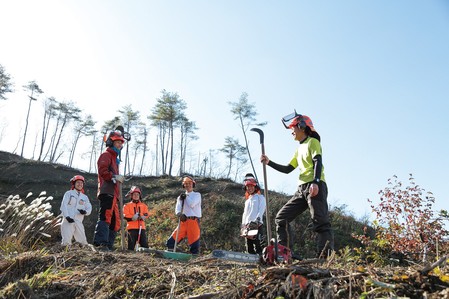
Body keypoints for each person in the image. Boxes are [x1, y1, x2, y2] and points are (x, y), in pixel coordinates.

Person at [260, 111, 334, 258]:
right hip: (301, 189)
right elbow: (288, 169)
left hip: (315, 185)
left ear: (301, 126)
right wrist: (269, 162)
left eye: (293, 127)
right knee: (281, 218)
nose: (291, 131)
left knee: (320, 222)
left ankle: (325, 257)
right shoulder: (299, 149)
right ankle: (284, 253)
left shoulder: (313, 142)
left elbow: (318, 162)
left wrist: (316, 182)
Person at [93, 129, 125, 251]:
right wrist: (113, 176)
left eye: (121, 143)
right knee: (105, 217)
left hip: (114, 194)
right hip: (107, 192)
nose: (120, 145)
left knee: (115, 221)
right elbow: (103, 171)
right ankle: (100, 243)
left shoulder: (115, 159)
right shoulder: (106, 155)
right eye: (117, 142)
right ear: (111, 142)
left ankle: (109, 245)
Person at [166, 176, 202, 254]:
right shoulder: (180, 197)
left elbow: (192, 204)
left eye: (189, 183)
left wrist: (186, 197)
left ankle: (194, 260)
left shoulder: (197, 195)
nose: (188, 185)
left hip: (193, 221)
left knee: (194, 245)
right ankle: (172, 255)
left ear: (193, 184)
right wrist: (179, 214)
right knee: (170, 242)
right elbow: (177, 208)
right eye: (186, 183)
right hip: (183, 221)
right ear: (183, 185)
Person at [60, 175, 92, 245]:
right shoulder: (68, 193)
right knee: (66, 241)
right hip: (68, 221)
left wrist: (85, 212)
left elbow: (89, 207)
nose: (80, 184)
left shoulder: (84, 197)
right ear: (74, 184)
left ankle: (83, 254)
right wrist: (67, 217)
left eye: (81, 183)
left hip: (78, 221)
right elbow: (63, 205)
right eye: (78, 182)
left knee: (83, 241)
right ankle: (65, 254)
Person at [240, 177, 266, 255]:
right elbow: (245, 213)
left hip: (257, 224)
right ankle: (251, 260)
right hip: (248, 225)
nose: (249, 188)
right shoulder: (247, 200)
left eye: (251, 186)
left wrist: (257, 219)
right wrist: (243, 224)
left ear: (255, 187)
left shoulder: (260, 198)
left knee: (258, 245)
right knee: (249, 246)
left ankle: (262, 259)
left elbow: (261, 209)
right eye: (248, 187)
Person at [123, 186, 149, 250]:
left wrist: (143, 216)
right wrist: (132, 217)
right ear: (131, 196)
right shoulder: (127, 205)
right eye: (134, 194)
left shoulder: (144, 205)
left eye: (137, 194)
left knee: (145, 245)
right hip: (131, 228)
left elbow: (146, 214)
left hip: (141, 227)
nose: (136, 196)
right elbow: (125, 215)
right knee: (131, 245)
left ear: (139, 195)